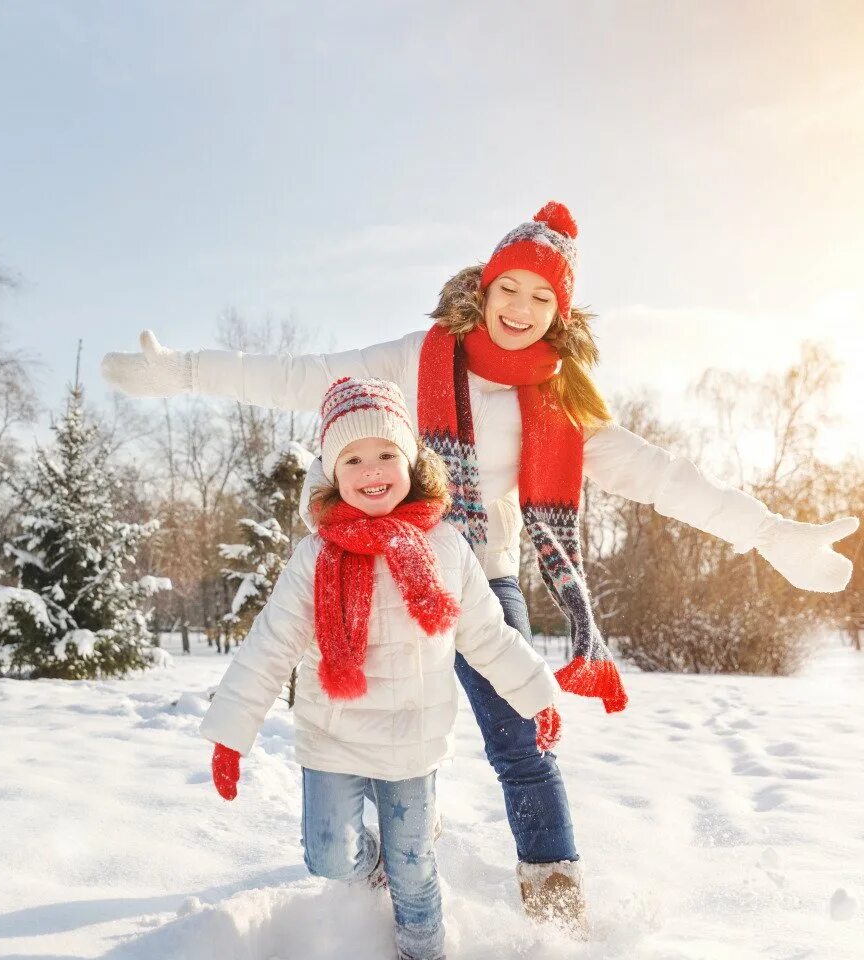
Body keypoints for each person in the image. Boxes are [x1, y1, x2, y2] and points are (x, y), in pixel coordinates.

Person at [103, 201, 858, 932]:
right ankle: (375, 861)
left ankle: (555, 899)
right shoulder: (414, 358)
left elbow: (666, 478)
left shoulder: (563, 406)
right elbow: (305, 375)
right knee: (362, 714)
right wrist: (185, 373)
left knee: (520, 739)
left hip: (479, 574)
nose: (521, 308)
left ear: (559, 313)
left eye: (541, 296)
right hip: (374, 563)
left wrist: (770, 534)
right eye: (510, 288)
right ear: (484, 287)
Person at [199, 377, 560, 960]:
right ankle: (372, 864)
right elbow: (270, 645)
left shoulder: (446, 547)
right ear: (332, 473)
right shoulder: (316, 556)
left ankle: (423, 951)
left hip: (413, 744)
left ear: (412, 461)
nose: (372, 470)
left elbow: (487, 636)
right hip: (333, 735)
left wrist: (535, 694)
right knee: (328, 856)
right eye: (353, 458)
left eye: (387, 453)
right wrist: (231, 733)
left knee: (416, 875)